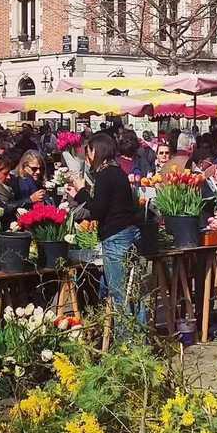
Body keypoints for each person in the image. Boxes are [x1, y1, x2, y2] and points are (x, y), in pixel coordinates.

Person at [67, 132, 142, 329]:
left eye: (89, 151)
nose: (87, 156)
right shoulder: (118, 172)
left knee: (118, 292)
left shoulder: (104, 175)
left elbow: (97, 210)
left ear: (96, 151)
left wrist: (81, 191)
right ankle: (138, 336)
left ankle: (125, 343)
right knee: (131, 290)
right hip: (129, 233)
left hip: (116, 237)